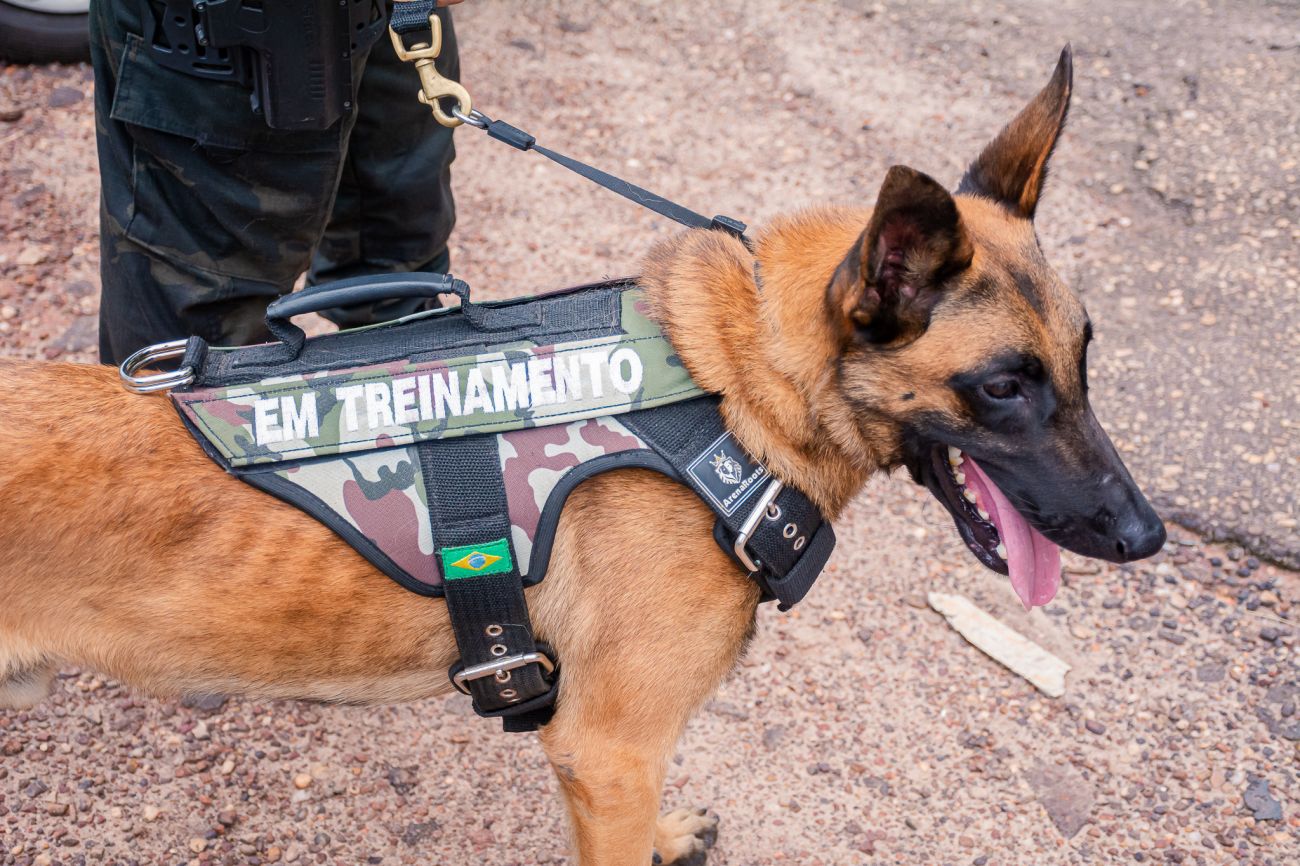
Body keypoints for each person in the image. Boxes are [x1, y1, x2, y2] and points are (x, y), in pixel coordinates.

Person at [91, 0, 465, 366]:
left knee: (400, 274)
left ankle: (405, 389)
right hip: (218, 39)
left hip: (396, 19)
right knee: (194, 349)